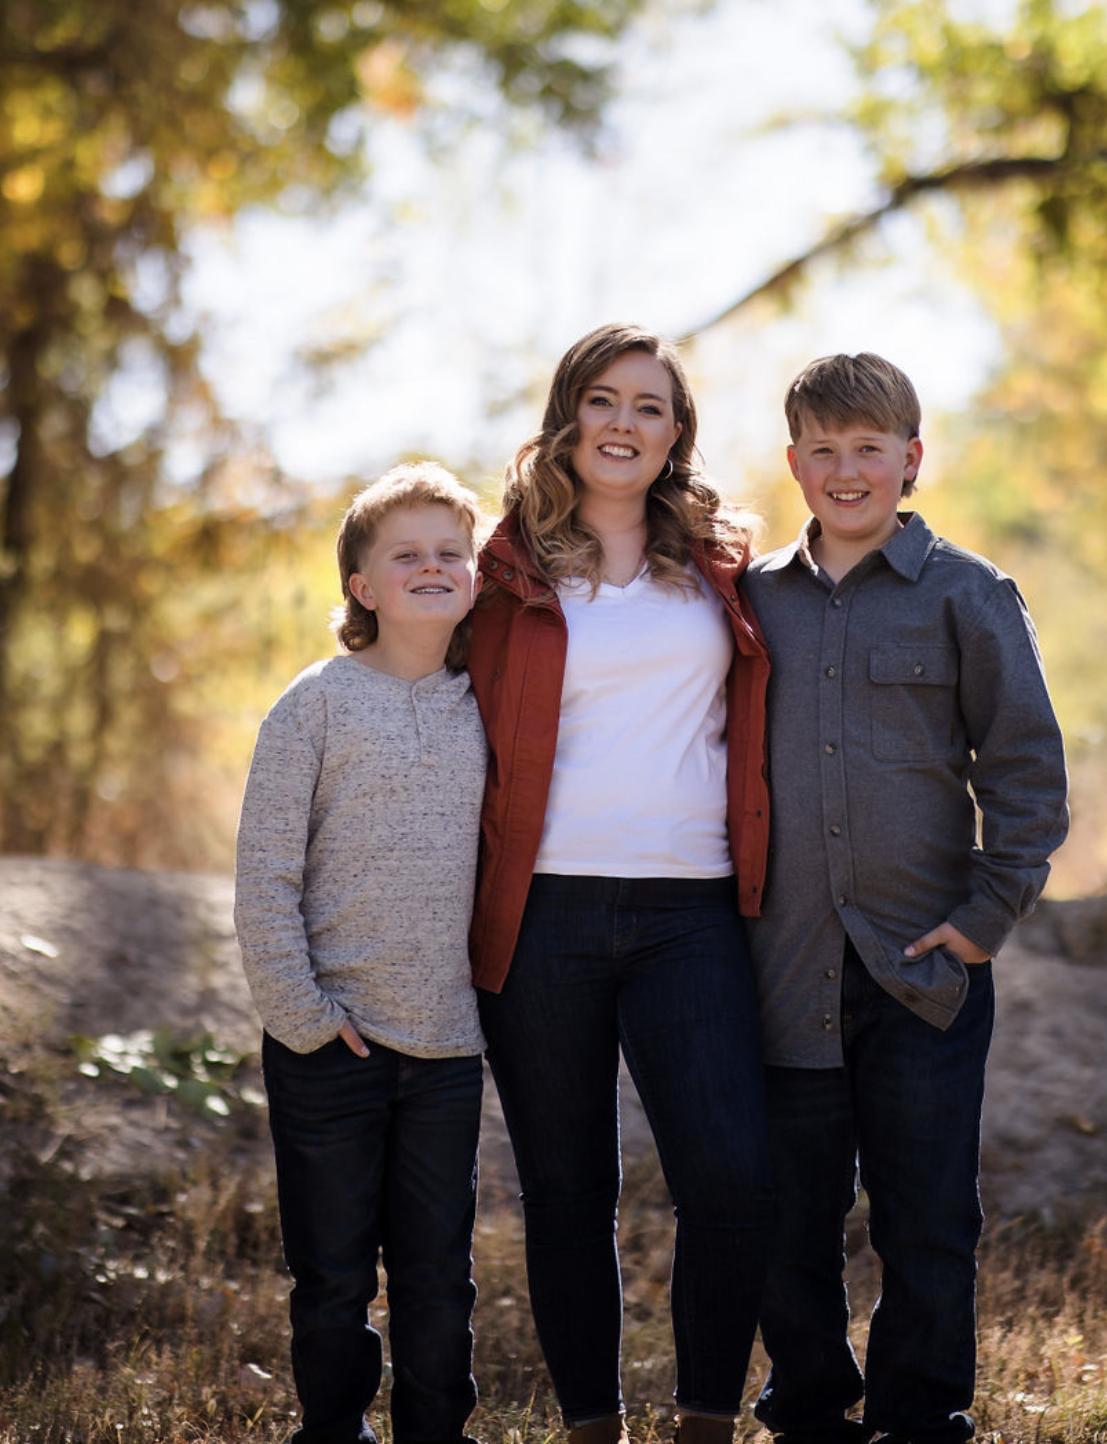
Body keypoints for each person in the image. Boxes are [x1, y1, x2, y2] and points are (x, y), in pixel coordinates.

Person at [742, 354, 1070, 1444]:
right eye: (823, 452)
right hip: (784, 964)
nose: (846, 471)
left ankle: (920, 1418)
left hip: (921, 966)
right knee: (792, 1218)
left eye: (868, 450)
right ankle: (809, 1411)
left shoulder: (968, 595)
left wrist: (985, 922)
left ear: (910, 459)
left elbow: (1024, 769)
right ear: (795, 463)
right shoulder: (751, 603)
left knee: (927, 1217)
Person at [467, 323, 775, 1444]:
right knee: (565, 1194)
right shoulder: (501, 573)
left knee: (734, 1177)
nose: (624, 424)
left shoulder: (723, 572)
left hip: (689, 910)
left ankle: (704, 1425)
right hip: (540, 912)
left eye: (650, 407)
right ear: (568, 417)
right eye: (604, 400)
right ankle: (593, 1428)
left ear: (676, 434)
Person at [234, 462, 490, 1444]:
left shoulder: (487, 706)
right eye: (407, 554)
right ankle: (332, 1431)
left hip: (446, 1047)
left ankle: (437, 1431)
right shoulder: (317, 706)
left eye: (451, 553)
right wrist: (302, 1016)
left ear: (473, 576)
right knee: (334, 1271)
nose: (433, 567)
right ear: (362, 585)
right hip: (327, 1042)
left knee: (437, 1271)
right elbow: (265, 878)